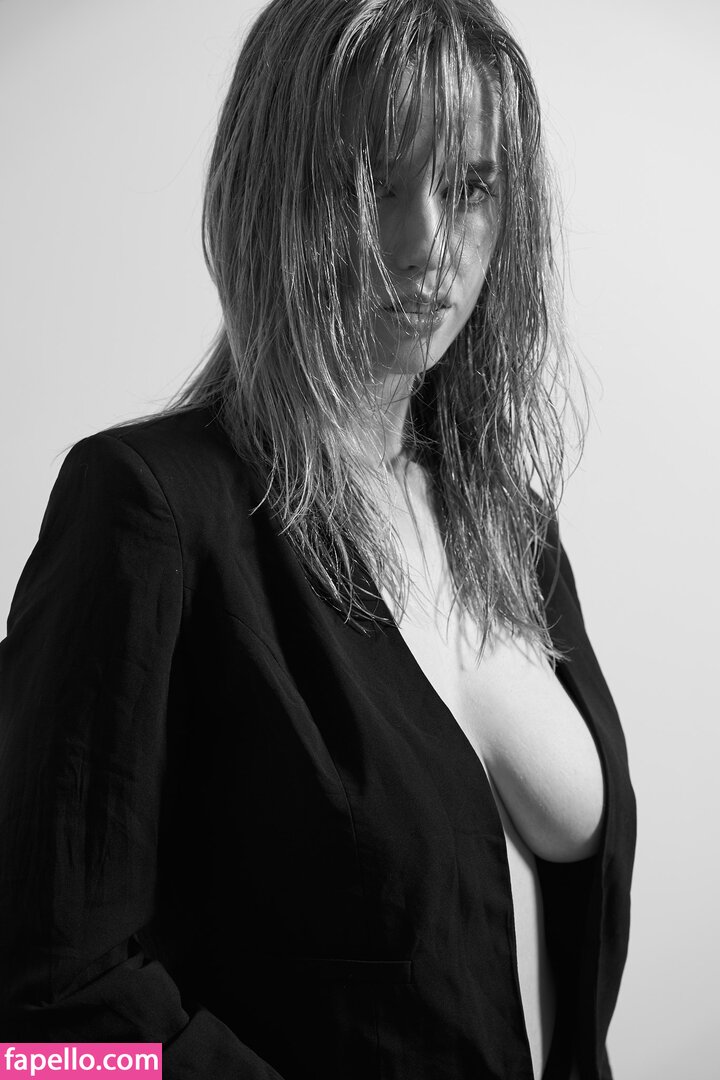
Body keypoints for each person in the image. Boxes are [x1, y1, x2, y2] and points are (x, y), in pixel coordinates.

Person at [0, 0, 636, 1077]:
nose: (428, 247)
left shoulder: (510, 524)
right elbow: (44, 1026)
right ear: (274, 193)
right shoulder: (147, 508)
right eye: (375, 183)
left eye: (468, 187)